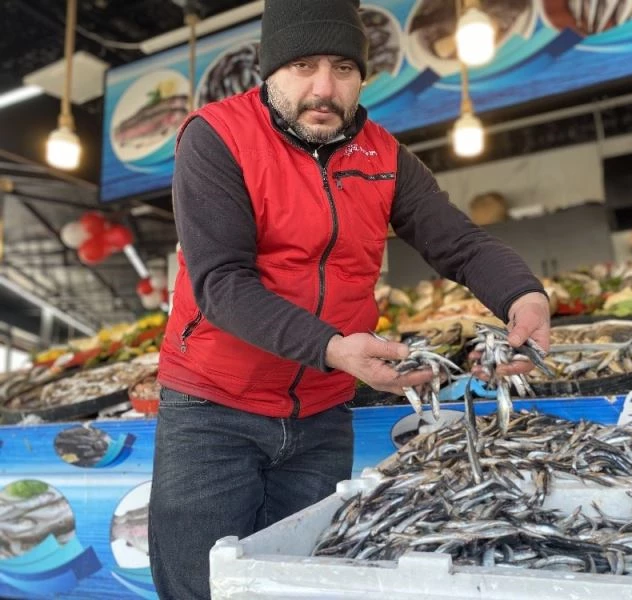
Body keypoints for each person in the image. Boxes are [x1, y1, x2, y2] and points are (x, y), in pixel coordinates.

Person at [150, 1, 551, 598]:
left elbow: (459, 243)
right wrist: (333, 347)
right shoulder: (216, 138)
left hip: (321, 416)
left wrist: (524, 294)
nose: (323, 88)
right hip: (213, 412)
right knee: (202, 588)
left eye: (342, 68)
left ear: (363, 75)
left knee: (305, 584)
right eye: (303, 65)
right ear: (270, 71)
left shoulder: (384, 155)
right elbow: (221, 283)